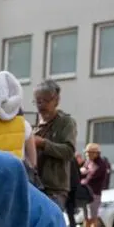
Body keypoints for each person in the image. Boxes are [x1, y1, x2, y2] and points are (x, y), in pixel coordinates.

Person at [32, 80, 77, 212]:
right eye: (38, 101)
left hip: (55, 188)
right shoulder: (35, 123)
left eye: (45, 101)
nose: (41, 105)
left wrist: (43, 144)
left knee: (50, 226)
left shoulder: (66, 122)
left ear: (56, 100)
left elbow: (69, 151)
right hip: (35, 185)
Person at [79, 143, 110, 227]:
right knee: (86, 217)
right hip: (86, 193)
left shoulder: (101, 165)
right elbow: (82, 173)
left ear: (96, 153)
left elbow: (90, 178)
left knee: (93, 217)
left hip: (94, 193)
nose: (87, 155)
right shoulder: (88, 162)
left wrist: (82, 179)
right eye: (86, 153)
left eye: (89, 153)